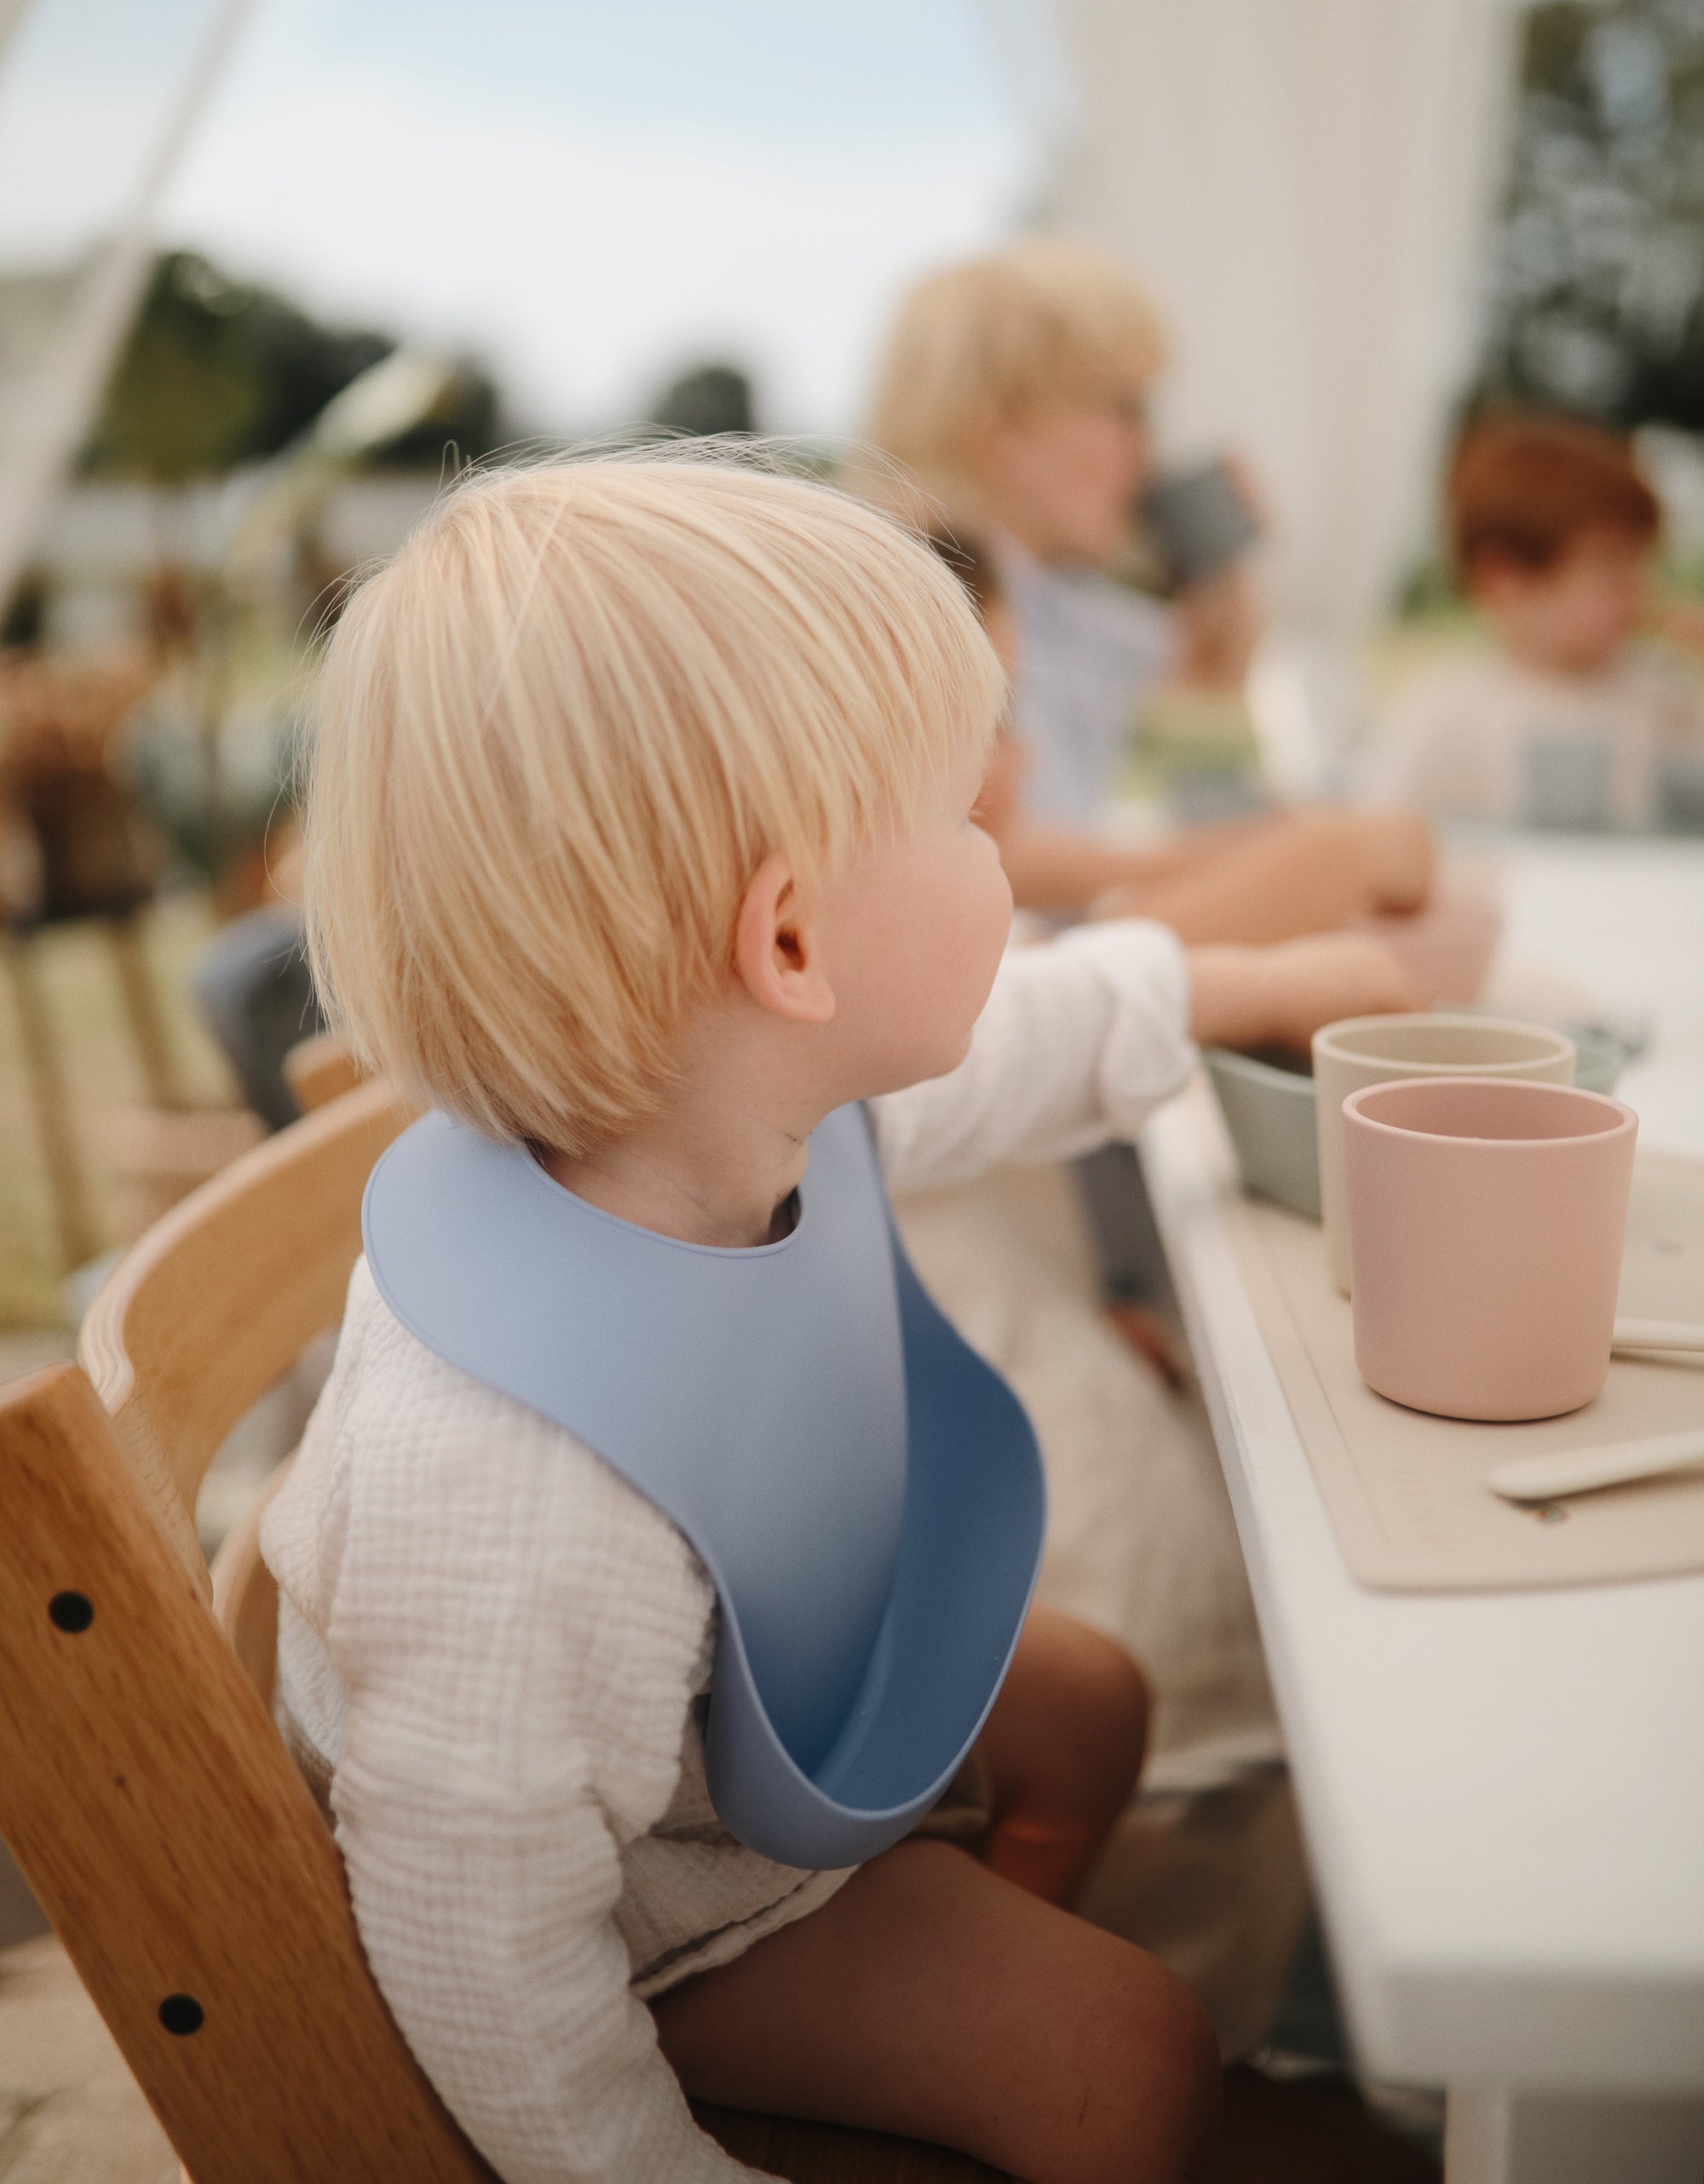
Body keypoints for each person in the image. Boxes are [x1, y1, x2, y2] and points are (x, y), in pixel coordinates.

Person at [263, 452, 1425, 2184]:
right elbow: (483, 1953)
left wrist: (1251, 983)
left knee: (1094, 1702)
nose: (999, 854)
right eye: (965, 820)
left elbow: (1027, 1031)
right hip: (642, 1910)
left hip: (702, 1737)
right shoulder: (516, 1480)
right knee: (1131, 2055)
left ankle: (911, 2068)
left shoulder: (733, 1103)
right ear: (794, 943)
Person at [863, 238, 1434, 933]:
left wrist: (1218, 677)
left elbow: (1189, 804)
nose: (1149, 452)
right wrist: (1270, 856)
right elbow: (969, 848)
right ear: (1003, 426)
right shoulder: (920, 598)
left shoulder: (1082, 618)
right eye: (1127, 410)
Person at [1361, 413, 1704, 828]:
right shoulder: (1442, 713)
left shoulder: (1665, 696)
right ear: (1503, 581)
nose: (1638, 593)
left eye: (1642, 567)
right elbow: (1375, 836)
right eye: (1610, 571)